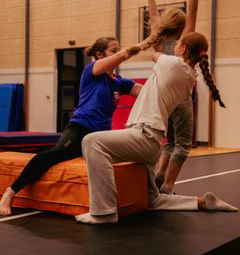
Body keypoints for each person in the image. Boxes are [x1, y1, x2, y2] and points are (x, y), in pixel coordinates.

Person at [75, 29, 238, 225]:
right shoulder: (188, 75)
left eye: (177, 45)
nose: (174, 47)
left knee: (92, 142)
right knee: (152, 199)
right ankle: (203, 202)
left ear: (183, 50)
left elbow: (154, 54)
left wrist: (157, 34)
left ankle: (104, 212)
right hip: (151, 141)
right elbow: (146, 87)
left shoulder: (174, 65)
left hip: (144, 135)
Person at [0, 36, 143, 216]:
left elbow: (144, 92)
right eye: (113, 51)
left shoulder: (120, 82)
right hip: (80, 128)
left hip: (99, 138)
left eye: (117, 50)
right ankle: (10, 192)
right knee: (56, 154)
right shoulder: (91, 71)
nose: (117, 54)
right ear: (99, 55)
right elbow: (122, 56)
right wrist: (138, 47)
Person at [140, 0, 220, 194]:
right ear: (181, 26)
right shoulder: (183, 43)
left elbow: (154, 14)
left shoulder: (157, 38)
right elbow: (193, 11)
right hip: (180, 96)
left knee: (171, 141)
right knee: (182, 144)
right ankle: (168, 185)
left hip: (161, 98)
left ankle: (158, 176)